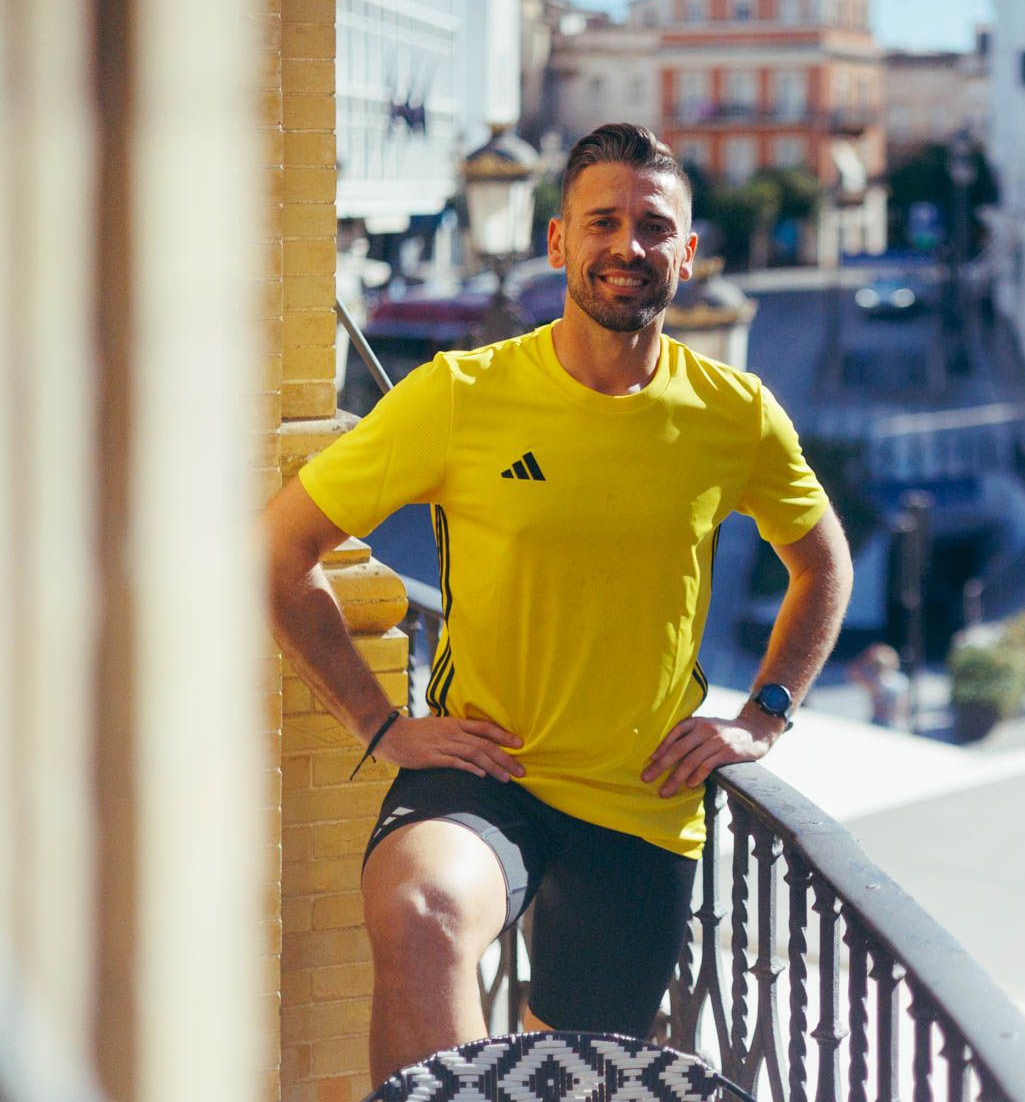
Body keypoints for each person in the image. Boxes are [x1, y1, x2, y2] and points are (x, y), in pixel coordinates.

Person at [263, 123, 853, 1085]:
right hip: (483, 771)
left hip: (643, 802)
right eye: (604, 222)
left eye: (653, 227)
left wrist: (765, 716)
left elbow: (822, 567)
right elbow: (283, 552)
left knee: (564, 1068)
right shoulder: (460, 395)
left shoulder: (735, 414)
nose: (628, 246)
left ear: (688, 253)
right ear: (558, 242)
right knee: (423, 916)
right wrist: (381, 725)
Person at [848, 642, 909, 729]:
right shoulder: (877, 680)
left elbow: (854, 672)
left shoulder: (879, 681)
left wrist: (865, 656)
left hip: (892, 723)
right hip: (885, 722)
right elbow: (853, 672)